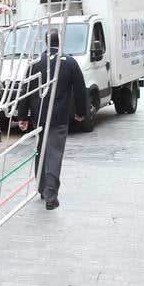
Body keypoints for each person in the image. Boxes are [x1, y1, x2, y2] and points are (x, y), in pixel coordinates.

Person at [14, 29, 89, 210]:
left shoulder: (35, 63)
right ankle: (51, 195)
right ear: (60, 41)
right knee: (54, 154)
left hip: (38, 116)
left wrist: (22, 116)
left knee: (41, 151)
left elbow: (26, 90)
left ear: (46, 42)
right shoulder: (69, 62)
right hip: (58, 116)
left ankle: (41, 187)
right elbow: (80, 89)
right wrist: (81, 112)